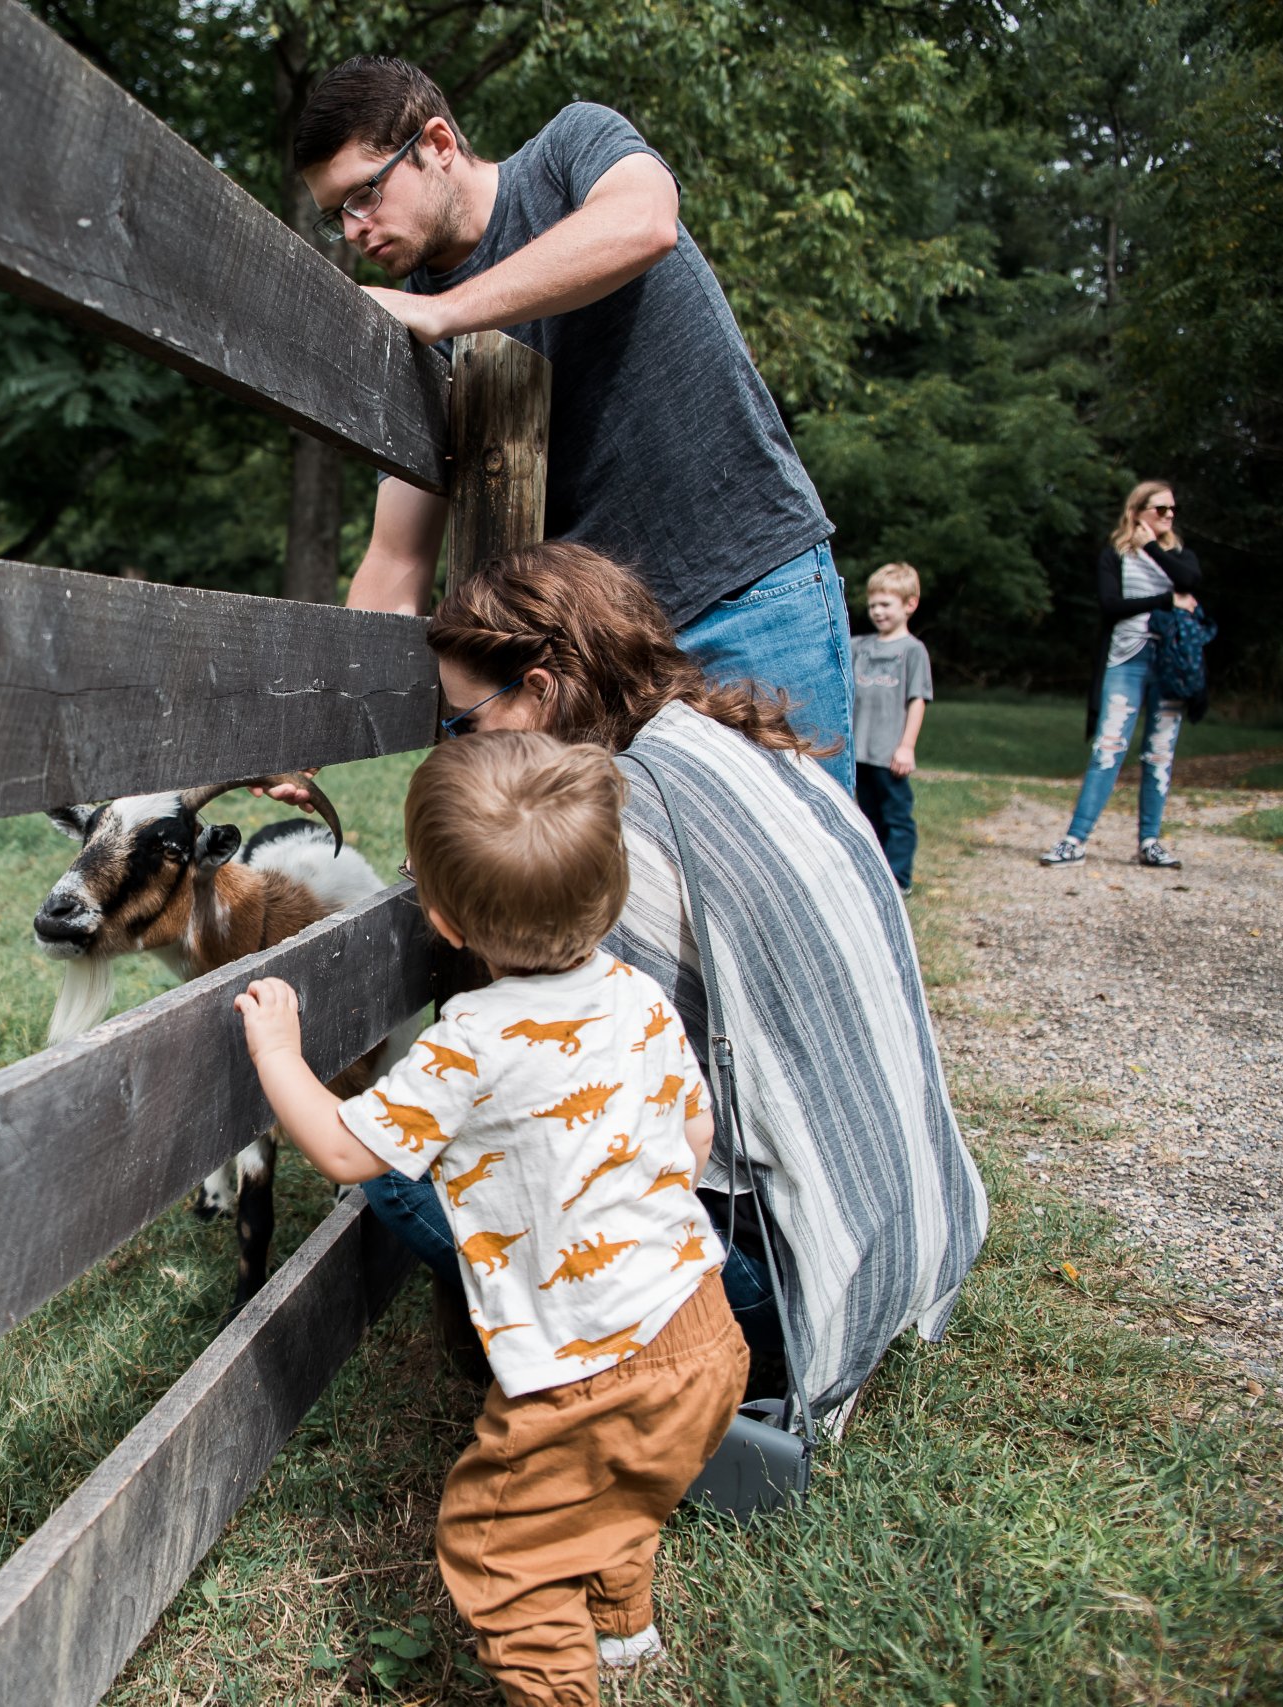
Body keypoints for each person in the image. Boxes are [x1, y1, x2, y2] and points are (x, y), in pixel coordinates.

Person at [363, 542, 986, 1430]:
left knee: (405, 1169)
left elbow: (576, 1116)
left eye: (467, 721)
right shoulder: (730, 742)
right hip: (900, 1228)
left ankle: (592, 1383)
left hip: (792, 1279)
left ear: (540, 691)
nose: (461, 743)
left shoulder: (628, 820)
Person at [234, 730, 748, 1692]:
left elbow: (347, 1150)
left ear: (442, 918)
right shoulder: (639, 996)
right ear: (615, 888)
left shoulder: (471, 1041)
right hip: (702, 1329)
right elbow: (693, 1138)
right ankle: (623, 1628)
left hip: (582, 1368)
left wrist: (277, 1053)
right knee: (620, 1489)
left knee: (502, 1551)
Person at [293, 56, 854, 790]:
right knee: (629, 900)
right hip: (602, 660)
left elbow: (645, 222)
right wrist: (316, 736)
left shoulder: (567, 153)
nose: (354, 230)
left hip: (749, 590)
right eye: (337, 214)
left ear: (436, 143)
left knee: (803, 874)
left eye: (365, 194)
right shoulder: (417, 342)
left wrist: (446, 311)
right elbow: (397, 563)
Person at [1041, 481, 1202, 870]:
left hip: (1171, 667)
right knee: (1108, 749)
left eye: (1171, 510)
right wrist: (1167, 600)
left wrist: (1151, 547)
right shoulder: (1115, 555)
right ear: (1137, 511)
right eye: (1160, 509)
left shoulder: (1179, 554)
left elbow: (1191, 582)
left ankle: (1150, 842)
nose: (1168, 516)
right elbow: (1111, 606)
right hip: (1126, 662)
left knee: (1159, 755)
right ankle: (1075, 840)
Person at [851, 563, 933, 894]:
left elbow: (918, 700)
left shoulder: (913, 651)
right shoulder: (861, 646)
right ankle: (875, 875)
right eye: (873, 605)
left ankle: (899, 879)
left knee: (896, 817)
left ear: (910, 604)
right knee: (867, 816)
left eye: (886, 604)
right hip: (859, 749)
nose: (877, 611)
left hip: (890, 754)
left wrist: (907, 746)